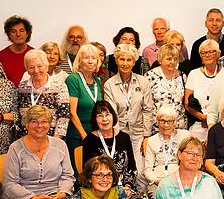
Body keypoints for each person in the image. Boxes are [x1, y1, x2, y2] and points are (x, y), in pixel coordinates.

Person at [81, 101, 148, 199]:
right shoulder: (89, 141)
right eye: (100, 116)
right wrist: (105, 189)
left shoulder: (124, 138)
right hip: (100, 187)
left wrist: (127, 187)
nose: (105, 119)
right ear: (95, 119)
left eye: (108, 114)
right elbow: (87, 172)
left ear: (113, 116)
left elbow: (132, 168)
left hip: (124, 186)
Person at [103, 43, 153, 178]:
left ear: (134, 61)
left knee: (141, 173)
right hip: (119, 134)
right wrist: (118, 138)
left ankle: (141, 198)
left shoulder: (143, 82)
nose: (125, 63)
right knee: (120, 171)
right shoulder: (109, 84)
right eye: (122, 59)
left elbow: (148, 110)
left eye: (129, 60)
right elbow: (111, 113)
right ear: (116, 60)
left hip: (139, 134)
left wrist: (146, 136)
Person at [15, 49, 71, 138]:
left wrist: (55, 140)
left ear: (46, 66)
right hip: (26, 140)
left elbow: (64, 116)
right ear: (27, 70)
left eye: (39, 66)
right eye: (31, 67)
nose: (36, 71)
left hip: (51, 139)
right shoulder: (22, 88)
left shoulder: (59, 86)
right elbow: (19, 115)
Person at [65, 44, 103, 173]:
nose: (91, 61)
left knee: (92, 173)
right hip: (77, 135)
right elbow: (72, 112)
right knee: (79, 173)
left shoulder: (97, 81)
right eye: (87, 57)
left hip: (94, 135)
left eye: (94, 58)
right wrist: (85, 136)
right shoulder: (73, 79)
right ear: (80, 60)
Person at [184, 39, 224, 140]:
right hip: (199, 127)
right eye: (203, 53)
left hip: (222, 125)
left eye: (211, 52)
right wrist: (203, 118)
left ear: (218, 54)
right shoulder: (193, 74)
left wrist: (213, 121)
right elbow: (187, 103)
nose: (207, 55)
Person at [142, 106, 192, 199]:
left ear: (175, 122)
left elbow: (190, 161)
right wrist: (156, 180)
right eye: (162, 121)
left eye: (170, 121)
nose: (166, 125)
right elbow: (147, 169)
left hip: (180, 179)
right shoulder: (151, 141)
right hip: (158, 181)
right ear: (157, 121)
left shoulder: (185, 136)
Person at [146, 44, 187, 134]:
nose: (172, 62)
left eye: (175, 59)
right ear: (160, 60)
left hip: (179, 127)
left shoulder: (182, 76)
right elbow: (146, 105)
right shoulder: (150, 76)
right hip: (158, 128)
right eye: (168, 59)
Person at [188, 8, 224, 72]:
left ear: (223, 24)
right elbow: (194, 70)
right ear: (205, 24)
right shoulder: (197, 44)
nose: (214, 23)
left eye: (218, 20)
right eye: (211, 20)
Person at [0, 15, 34, 86]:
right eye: (13, 31)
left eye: (21, 31)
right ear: (9, 35)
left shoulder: (35, 54)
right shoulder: (0, 56)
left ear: (27, 33)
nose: (18, 34)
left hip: (31, 94)